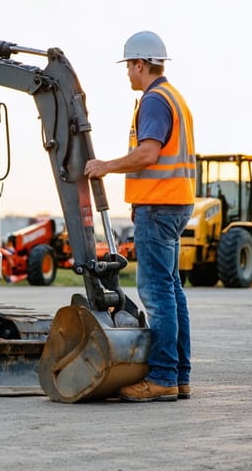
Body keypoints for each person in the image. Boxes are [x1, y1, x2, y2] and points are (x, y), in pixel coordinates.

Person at [84, 30, 195, 402]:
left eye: (129, 66)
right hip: (175, 204)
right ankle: (178, 375)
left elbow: (148, 154)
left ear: (141, 64)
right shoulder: (173, 97)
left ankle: (163, 375)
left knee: (157, 293)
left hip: (158, 207)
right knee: (172, 291)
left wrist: (105, 166)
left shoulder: (154, 100)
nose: (128, 74)